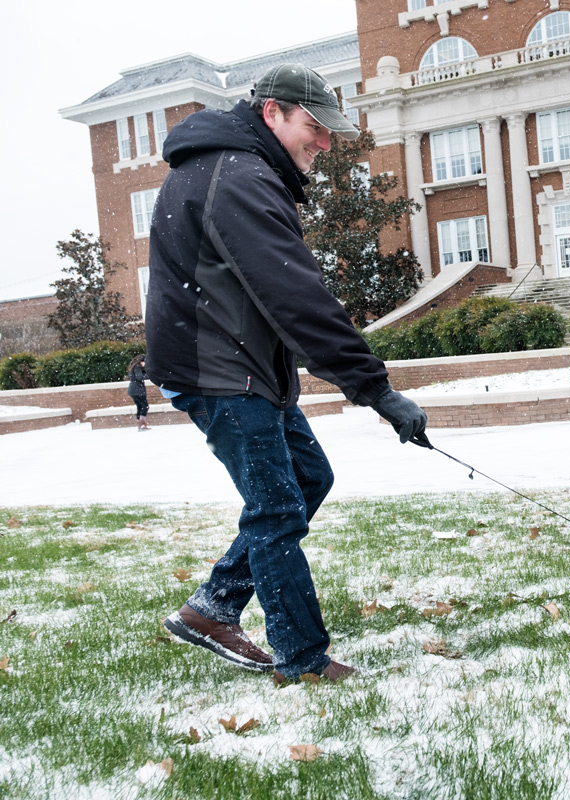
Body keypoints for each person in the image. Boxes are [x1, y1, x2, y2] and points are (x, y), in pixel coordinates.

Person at [146, 63, 427, 684]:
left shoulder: (235, 167)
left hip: (241, 367)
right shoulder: (239, 176)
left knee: (306, 477)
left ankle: (212, 607)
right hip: (219, 372)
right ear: (271, 112)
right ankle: (301, 660)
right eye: (313, 127)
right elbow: (297, 300)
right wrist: (377, 391)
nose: (324, 143)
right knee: (276, 512)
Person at [126, 354, 150, 431]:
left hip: (133, 389)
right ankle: (142, 424)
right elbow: (139, 377)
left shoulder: (133, 367)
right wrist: (150, 375)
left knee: (140, 407)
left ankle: (140, 424)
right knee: (145, 406)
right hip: (138, 389)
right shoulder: (137, 367)